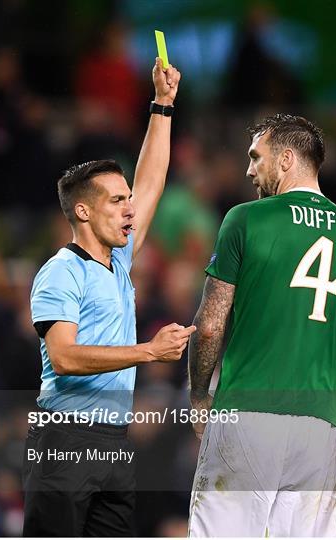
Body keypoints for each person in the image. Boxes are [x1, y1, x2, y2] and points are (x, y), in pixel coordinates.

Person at [188, 114, 336, 537]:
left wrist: (199, 394)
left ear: (285, 160)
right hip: (319, 434)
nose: (248, 170)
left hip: (246, 415)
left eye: (255, 157)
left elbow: (209, 326)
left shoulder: (246, 219)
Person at [23, 58, 195, 537]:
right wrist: (149, 352)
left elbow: (153, 182)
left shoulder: (117, 263)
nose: (130, 208)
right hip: (64, 439)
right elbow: (63, 357)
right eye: (116, 201)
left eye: (127, 199)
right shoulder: (60, 272)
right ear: (82, 211)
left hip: (111, 442)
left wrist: (162, 105)